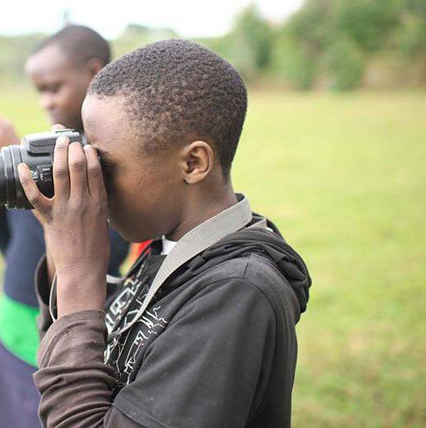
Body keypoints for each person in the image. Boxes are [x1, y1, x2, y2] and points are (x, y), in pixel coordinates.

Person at [19, 39, 312, 427]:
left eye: (104, 165)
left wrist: (78, 274)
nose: (95, 183)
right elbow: (80, 356)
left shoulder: (237, 293)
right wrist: (62, 241)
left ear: (193, 163)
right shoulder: (171, 250)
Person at [0, 25, 131, 427]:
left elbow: (93, 249)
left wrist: (21, 165)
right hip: (11, 324)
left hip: (64, 338)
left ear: (94, 72)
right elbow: (17, 248)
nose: (46, 101)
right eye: (39, 91)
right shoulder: (57, 150)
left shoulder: (106, 158)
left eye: (54, 88)